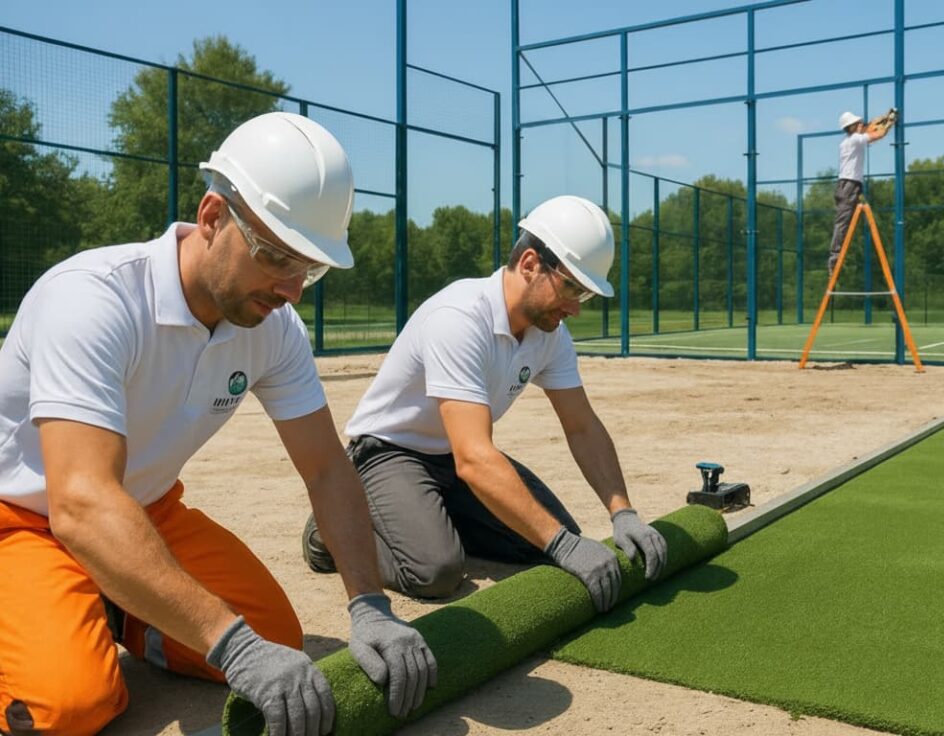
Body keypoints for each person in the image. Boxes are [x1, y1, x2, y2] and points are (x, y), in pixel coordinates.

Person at [0, 112, 436, 736]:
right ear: (211, 217)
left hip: (145, 512)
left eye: (309, 267)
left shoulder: (274, 328)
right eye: (277, 256)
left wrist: (369, 605)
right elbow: (79, 502)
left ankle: (117, 604)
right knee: (66, 705)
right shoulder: (93, 299)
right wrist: (230, 645)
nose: (292, 289)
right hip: (22, 523)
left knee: (277, 637)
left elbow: (326, 468)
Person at [301, 195, 668, 614]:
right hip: (388, 454)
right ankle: (328, 533)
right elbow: (474, 459)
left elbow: (582, 426)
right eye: (571, 288)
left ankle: (428, 518)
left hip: (451, 457)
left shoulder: (550, 334)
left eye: (584, 296)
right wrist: (564, 546)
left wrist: (622, 512)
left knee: (551, 537)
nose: (574, 309)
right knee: (435, 570)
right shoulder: (459, 318)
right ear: (530, 264)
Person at [829, 109, 895, 275]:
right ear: (851, 127)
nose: (861, 124)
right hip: (849, 185)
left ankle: (836, 256)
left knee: (846, 221)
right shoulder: (855, 140)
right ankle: (834, 258)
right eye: (858, 123)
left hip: (850, 185)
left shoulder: (850, 140)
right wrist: (889, 123)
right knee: (842, 222)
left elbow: (869, 129)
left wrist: (884, 118)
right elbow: (876, 135)